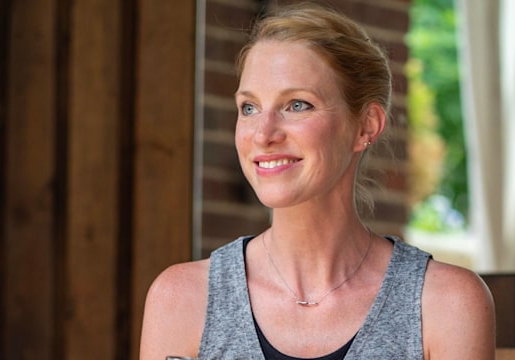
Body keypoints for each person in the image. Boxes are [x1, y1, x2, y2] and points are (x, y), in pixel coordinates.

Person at [140, 3, 496, 359]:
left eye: (297, 105)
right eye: (249, 108)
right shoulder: (182, 300)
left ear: (365, 126)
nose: (263, 135)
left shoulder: (445, 305)